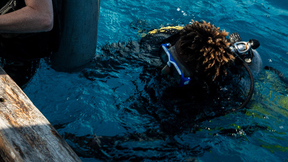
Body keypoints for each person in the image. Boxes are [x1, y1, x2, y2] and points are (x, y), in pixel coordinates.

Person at [65, 20, 273, 159]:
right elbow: (116, 54)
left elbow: (161, 138)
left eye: (174, 71)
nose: (164, 71)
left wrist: (99, 144)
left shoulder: (207, 96)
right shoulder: (167, 40)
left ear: (195, 81)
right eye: (166, 58)